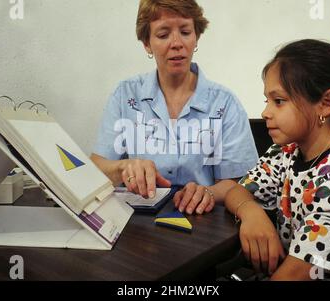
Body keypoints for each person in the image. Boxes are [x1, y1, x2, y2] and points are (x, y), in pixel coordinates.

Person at [225, 39, 330, 280]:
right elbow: (237, 191)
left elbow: (294, 275)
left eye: (279, 101)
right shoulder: (289, 151)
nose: (265, 112)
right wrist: (251, 212)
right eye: (267, 101)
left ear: (326, 104)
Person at [91, 0, 258, 215]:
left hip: (201, 224)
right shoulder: (125, 95)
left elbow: (240, 184)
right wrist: (122, 167)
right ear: (147, 44)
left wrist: (207, 192)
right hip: (137, 225)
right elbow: (96, 168)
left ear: (196, 36)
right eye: (163, 35)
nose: (177, 43)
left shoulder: (225, 104)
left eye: (186, 32)